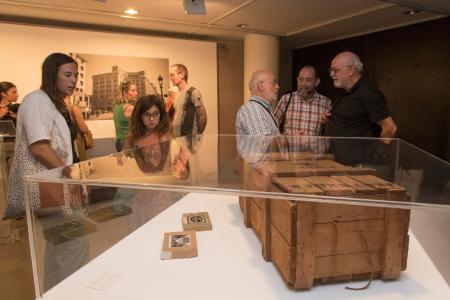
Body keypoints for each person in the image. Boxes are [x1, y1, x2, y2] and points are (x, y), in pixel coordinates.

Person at [4, 53, 88, 290]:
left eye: (76, 75)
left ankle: (54, 292)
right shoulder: (37, 100)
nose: (73, 81)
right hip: (48, 187)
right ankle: (73, 293)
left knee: (58, 247)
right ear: (52, 74)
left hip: (53, 185)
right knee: (75, 243)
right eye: (67, 75)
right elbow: (39, 146)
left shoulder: (54, 104)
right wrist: (70, 176)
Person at [323, 51, 397, 139]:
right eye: (331, 70)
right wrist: (330, 118)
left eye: (336, 70)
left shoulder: (368, 92)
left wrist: (380, 150)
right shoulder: (345, 91)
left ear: (351, 70)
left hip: (357, 153)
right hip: (337, 151)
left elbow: (390, 128)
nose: (331, 74)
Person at [274, 65, 331, 136]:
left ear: (317, 82)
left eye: (308, 80)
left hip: (314, 147)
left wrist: (327, 124)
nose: (303, 84)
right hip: (290, 147)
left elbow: (331, 133)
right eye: (301, 79)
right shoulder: (286, 99)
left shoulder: (326, 103)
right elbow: (272, 127)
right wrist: (287, 138)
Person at [235, 69, 280, 135]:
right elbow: (264, 143)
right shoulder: (253, 109)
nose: (277, 87)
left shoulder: (260, 108)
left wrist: (290, 138)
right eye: (273, 83)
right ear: (261, 85)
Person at [169, 63, 207, 137]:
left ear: (182, 75)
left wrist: (198, 136)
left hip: (190, 139)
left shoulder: (193, 92)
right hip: (178, 138)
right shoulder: (177, 94)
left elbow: (203, 117)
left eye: (172, 75)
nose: (171, 78)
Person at [113, 80, 138, 152]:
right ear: (125, 93)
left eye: (136, 90)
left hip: (119, 141)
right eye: (133, 90)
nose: (136, 93)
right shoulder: (129, 108)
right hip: (128, 143)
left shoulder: (116, 106)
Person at [65, 96, 91, 161]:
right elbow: (83, 128)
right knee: (80, 162)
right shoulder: (74, 109)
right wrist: (88, 132)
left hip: (65, 142)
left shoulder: (59, 109)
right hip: (77, 140)